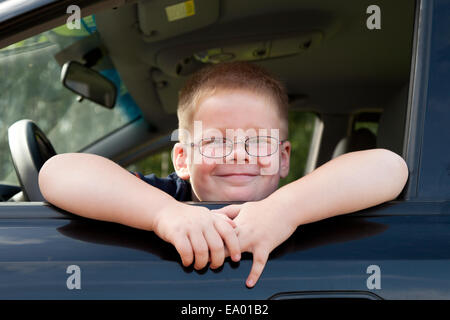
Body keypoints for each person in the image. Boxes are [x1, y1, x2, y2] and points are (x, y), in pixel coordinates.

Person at [38, 61, 409, 288]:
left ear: (283, 159)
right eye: (215, 141)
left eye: (259, 141)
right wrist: (163, 215)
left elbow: (389, 167)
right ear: (182, 158)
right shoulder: (167, 197)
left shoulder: (302, 204)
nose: (238, 154)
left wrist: (285, 210)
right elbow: (57, 172)